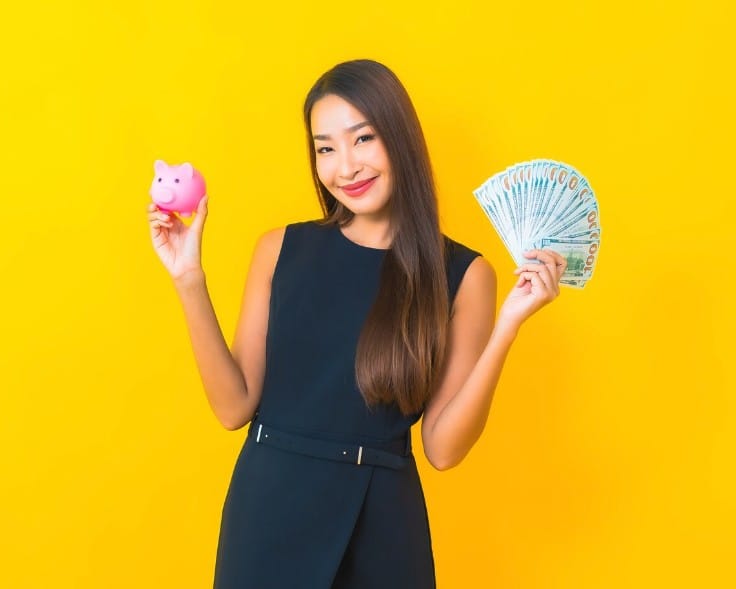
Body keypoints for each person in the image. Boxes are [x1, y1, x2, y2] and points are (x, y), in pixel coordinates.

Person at [148, 59, 567, 589]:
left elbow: (443, 448)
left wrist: (509, 325)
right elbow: (233, 407)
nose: (345, 167)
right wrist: (189, 279)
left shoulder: (464, 274)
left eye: (362, 138)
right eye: (326, 148)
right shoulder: (280, 249)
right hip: (267, 514)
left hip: (383, 528)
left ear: (400, 137)